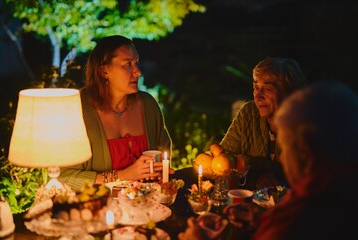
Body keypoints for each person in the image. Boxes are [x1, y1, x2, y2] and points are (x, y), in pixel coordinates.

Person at [179, 80, 358, 240]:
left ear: (304, 151)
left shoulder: (297, 219)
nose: (284, 157)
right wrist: (263, 219)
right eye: (256, 87)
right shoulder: (341, 188)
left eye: (285, 146)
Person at [59, 35, 172, 191]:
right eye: (128, 65)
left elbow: (164, 151)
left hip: (147, 206)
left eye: (136, 63)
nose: (137, 72)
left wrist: (161, 171)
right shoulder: (78, 110)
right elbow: (66, 178)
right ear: (105, 70)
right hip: (99, 209)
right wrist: (124, 175)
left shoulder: (147, 105)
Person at [220, 57, 308, 190]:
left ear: (289, 92)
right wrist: (255, 174)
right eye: (256, 87)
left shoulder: (304, 123)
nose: (258, 96)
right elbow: (224, 159)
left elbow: (305, 176)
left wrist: (250, 164)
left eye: (267, 89)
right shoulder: (249, 113)